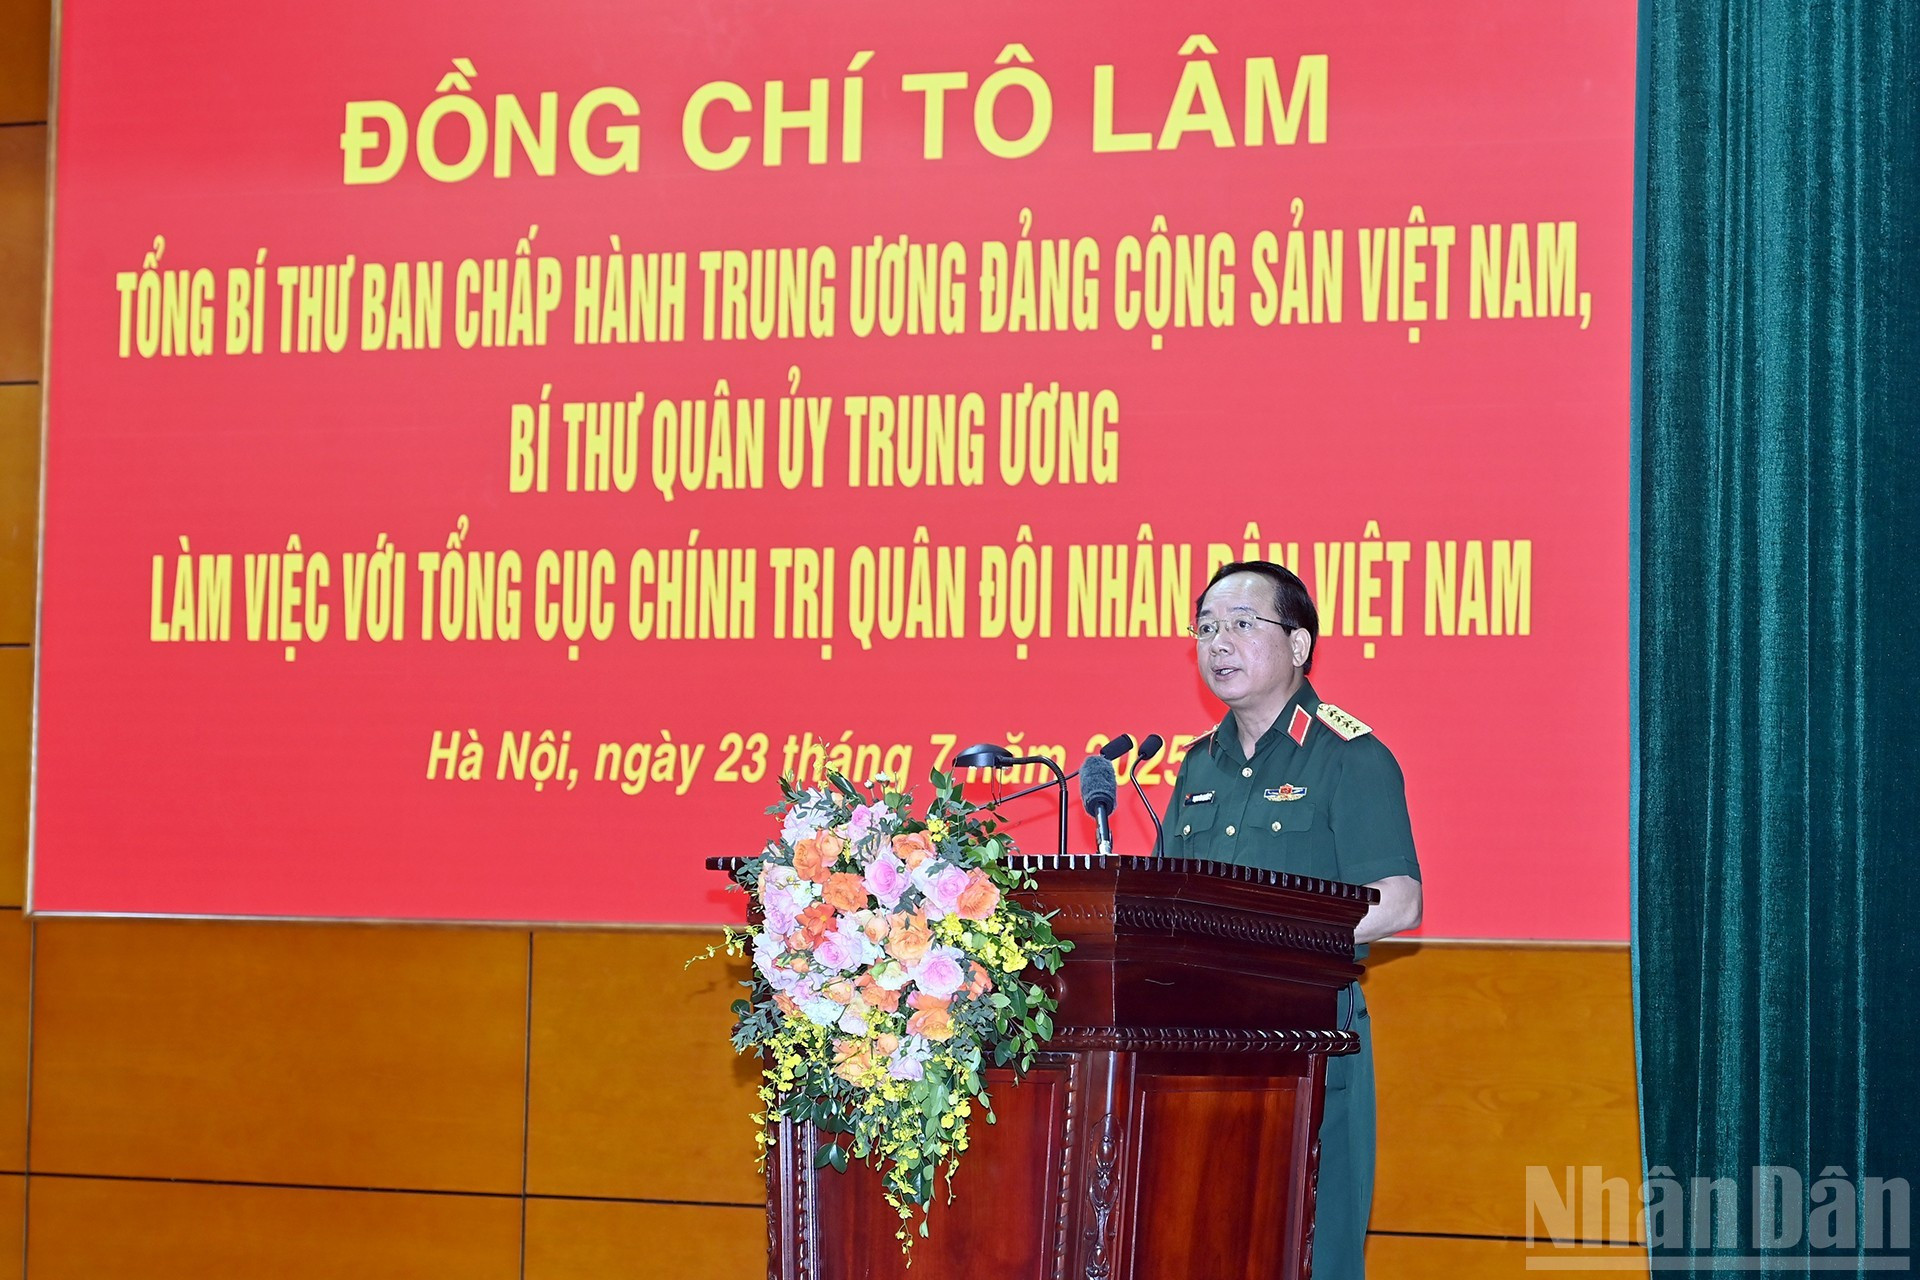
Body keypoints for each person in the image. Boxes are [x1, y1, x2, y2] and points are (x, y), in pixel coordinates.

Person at [1161, 560, 1423, 1280]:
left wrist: (1276, 939)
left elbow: (1399, 900)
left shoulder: (1350, 756)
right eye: (1207, 627)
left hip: (1310, 1047)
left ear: (1299, 645)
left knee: (1314, 1253)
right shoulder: (1195, 769)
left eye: (1243, 624)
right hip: (1201, 1055)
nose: (1219, 643)